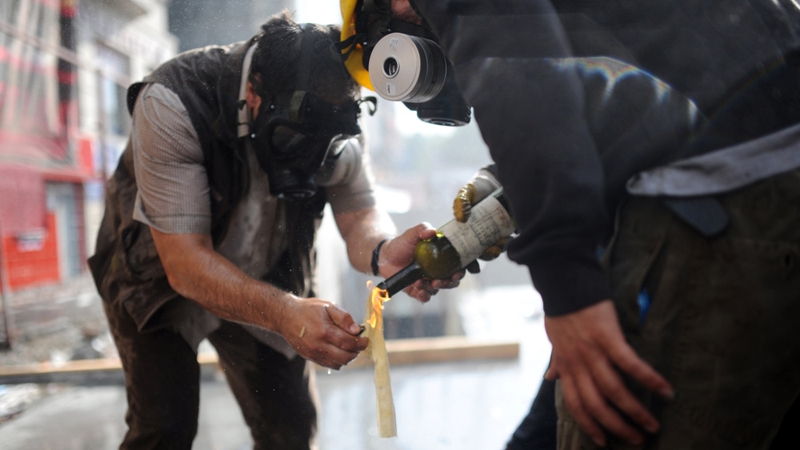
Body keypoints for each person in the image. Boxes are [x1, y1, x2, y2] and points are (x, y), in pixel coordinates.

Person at [339, 0, 800, 448]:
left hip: (731, 191)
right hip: (772, 162)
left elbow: (518, 75)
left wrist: (569, 288)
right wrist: (508, 188)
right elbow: (632, 94)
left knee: (606, 419)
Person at [88, 14, 462, 450]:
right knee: (165, 429)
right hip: (156, 282)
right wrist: (285, 314)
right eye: (293, 143)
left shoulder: (336, 127)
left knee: (292, 431)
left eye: (321, 153)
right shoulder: (175, 101)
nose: (308, 162)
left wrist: (384, 250)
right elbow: (186, 265)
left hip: (269, 274)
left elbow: (360, 212)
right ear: (254, 91)